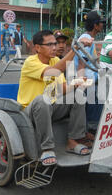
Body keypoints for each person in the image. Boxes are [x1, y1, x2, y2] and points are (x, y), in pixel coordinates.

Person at [17, 30, 91, 167]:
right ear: (37, 48)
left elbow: (63, 88)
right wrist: (75, 49)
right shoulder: (30, 62)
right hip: (29, 111)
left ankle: (73, 141)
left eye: (55, 44)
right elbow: (53, 72)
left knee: (79, 95)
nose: (55, 47)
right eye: (49, 44)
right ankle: (47, 148)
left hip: (50, 107)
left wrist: (77, 83)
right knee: (42, 99)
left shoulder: (55, 60)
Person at [75, 11, 105, 136]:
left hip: (93, 76)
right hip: (87, 79)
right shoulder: (85, 40)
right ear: (95, 25)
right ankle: (91, 129)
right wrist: (82, 84)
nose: (102, 25)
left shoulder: (89, 39)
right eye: (101, 23)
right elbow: (82, 64)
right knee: (97, 94)